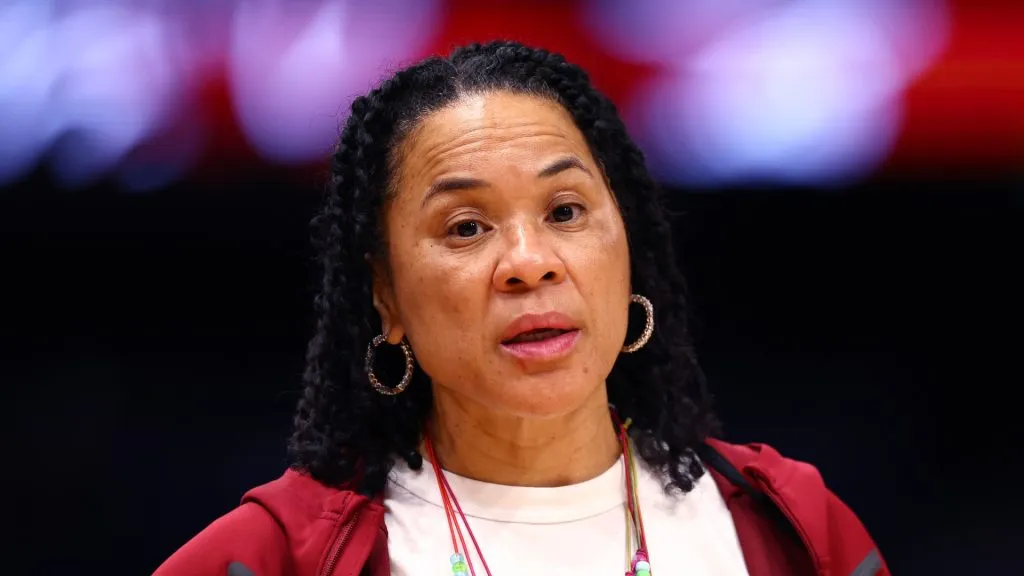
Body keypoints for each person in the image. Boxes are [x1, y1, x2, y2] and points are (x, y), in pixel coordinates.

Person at [155, 41, 888, 576]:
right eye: (466, 227)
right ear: (386, 295)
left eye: (565, 211)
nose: (530, 262)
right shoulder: (276, 558)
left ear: (627, 246)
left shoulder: (795, 532)